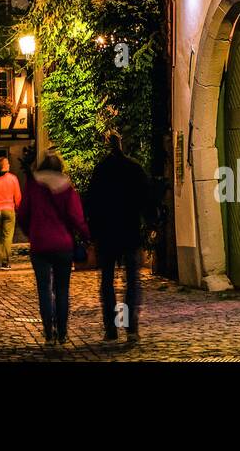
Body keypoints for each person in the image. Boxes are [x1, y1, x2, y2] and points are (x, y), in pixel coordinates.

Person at [86, 130, 150, 343]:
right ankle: (131, 327)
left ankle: (111, 328)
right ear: (122, 144)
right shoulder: (134, 168)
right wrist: (147, 225)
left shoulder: (101, 170)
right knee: (132, 280)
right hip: (129, 231)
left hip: (107, 233)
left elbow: (92, 204)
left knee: (107, 281)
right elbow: (145, 199)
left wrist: (93, 233)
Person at [18, 152, 89, 345]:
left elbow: (23, 214)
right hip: (62, 245)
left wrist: (32, 233)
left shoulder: (33, 187)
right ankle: (63, 332)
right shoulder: (67, 188)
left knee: (44, 289)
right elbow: (76, 217)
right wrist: (85, 236)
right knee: (62, 289)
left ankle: (48, 331)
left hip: (40, 245)